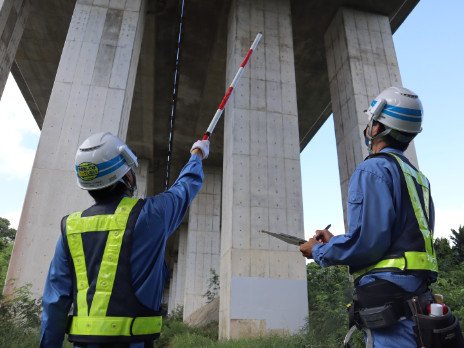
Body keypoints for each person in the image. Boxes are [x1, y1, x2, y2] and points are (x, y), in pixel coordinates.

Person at [300, 87, 464, 347]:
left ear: (377, 128)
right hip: (419, 299)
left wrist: (319, 251)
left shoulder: (372, 169)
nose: (368, 126)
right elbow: (397, 240)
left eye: (371, 121)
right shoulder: (417, 178)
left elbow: (367, 244)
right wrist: (335, 240)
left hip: (389, 301)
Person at [40, 132, 210, 348]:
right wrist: (197, 154)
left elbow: (55, 303)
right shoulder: (151, 215)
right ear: (128, 177)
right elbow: (184, 188)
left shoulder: (70, 228)